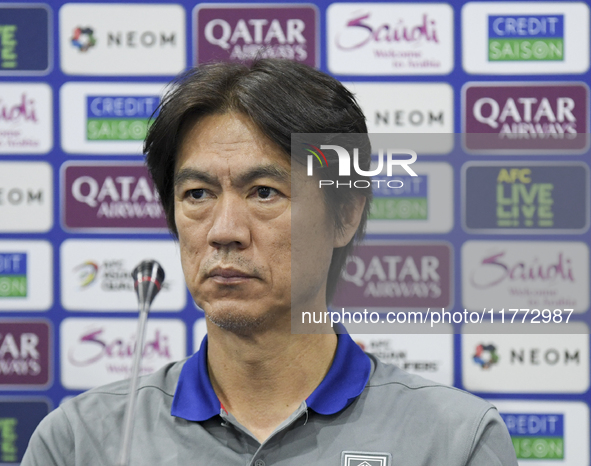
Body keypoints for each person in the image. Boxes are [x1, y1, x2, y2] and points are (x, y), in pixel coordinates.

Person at [22, 59, 518, 466]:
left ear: (344, 215)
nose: (224, 231)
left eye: (264, 192)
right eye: (197, 194)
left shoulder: (454, 441)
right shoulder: (79, 442)